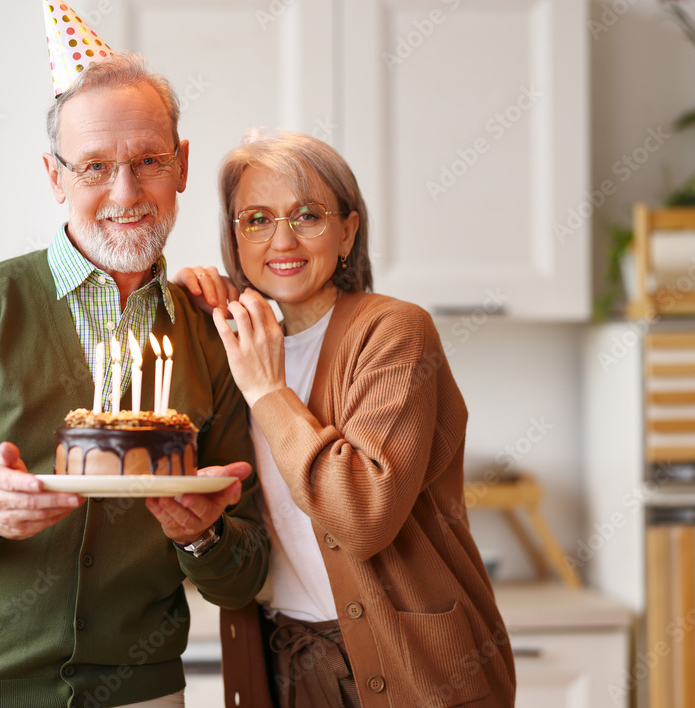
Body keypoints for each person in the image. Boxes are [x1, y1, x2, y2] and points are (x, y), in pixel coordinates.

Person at [0, 45, 268, 707]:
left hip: (139, 689)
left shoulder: (212, 331)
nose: (127, 192)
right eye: (96, 167)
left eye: (149, 162)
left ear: (182, 165)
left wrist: (204, 534)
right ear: (56, 177)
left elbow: (244, 574)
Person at [177, 131, 516, 707]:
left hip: (410, 667)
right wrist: (179, 303)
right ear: (234, 238)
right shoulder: (236, 341)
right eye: (255, 219)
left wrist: (268, 391)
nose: (281, 239)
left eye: (306, 215)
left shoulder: (394, 332)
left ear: (348, 231)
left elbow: (363, 516)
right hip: (285, 660)